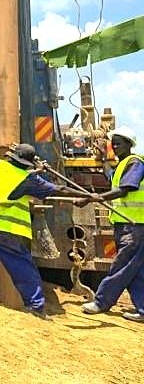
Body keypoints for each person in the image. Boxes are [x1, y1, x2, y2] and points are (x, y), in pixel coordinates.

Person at [0, 143, 95, 318]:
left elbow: (10, 179)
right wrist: (88, 196)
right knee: (20, 264)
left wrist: (36, 170)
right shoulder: (28, 180)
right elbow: (60, 189)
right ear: (28, 164)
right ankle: (35, 307)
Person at [80, 127, 144, 322]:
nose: (115, 147)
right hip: (124, 224)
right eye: (113, 143)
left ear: (129, 144)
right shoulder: (122, 165)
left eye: (119, 143)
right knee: (136, 271)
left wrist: (95, 198)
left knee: (122, 265)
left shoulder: (135, 163)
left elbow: (125, 188)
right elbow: (111, 176)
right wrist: (102, 159)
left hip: (134, 225)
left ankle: (101, 302)